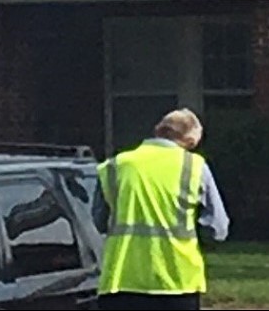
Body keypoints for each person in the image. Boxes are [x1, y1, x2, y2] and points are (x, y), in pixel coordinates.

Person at [93, 108, 230, 310]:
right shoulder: (194, 166)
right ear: (191, 141)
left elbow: (99, 220)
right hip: (178, 281)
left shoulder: (114, 166)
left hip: (121, 279)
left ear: (158, 130)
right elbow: (218, 228)